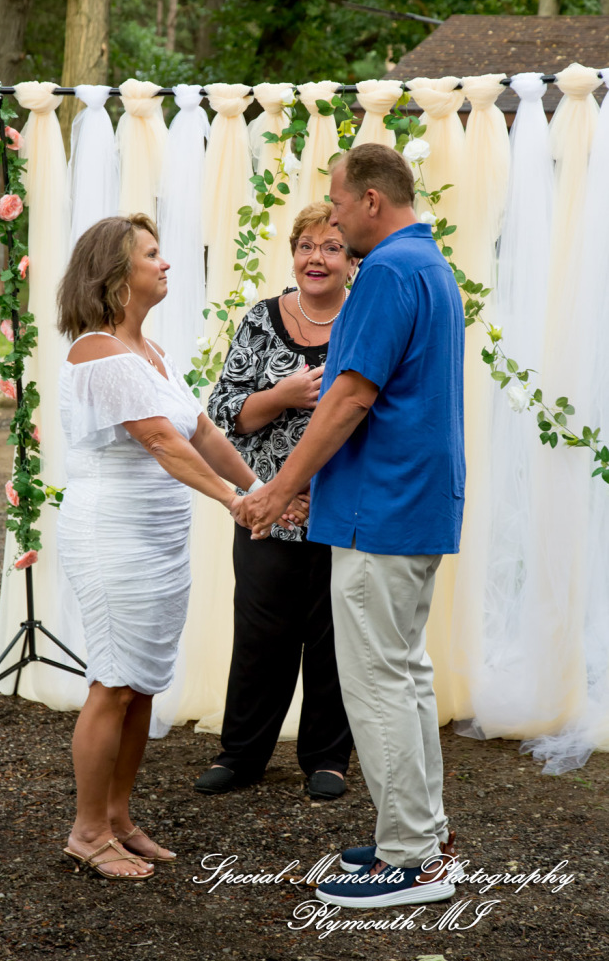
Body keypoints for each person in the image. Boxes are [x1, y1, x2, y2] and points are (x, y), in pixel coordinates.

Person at [240, 144, 466, 908]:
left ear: (371, 200)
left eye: (337, 206)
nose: (332, 222)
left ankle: (411, 859)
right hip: (414, 502)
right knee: (402, 676)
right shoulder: (429, 265)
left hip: (382, 506)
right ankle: (424, 834)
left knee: (375, 683)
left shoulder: (388, 272)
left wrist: (281, 487)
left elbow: (348, 396)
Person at [56, 213, 275, 881]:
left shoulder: (150, 351)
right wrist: (234, 503)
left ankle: (118, 818)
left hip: (158, 540)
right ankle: (87, 831)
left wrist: (261, 488)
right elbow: (159, 440)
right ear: (115, 272)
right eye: (152, 254)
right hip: (112, 536)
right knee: (113, 682)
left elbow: (201, 431)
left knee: (143, 684)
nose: (166, 263)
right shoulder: (97, 352)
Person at [194, 202, 355, 800]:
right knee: (261, 636)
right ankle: (241, 755)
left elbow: (375, 416)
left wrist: (313, 492)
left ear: (352, 260)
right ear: (292, 254)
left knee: (333, 638)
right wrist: (282, 395)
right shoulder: (262, 320)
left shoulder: (364, 320)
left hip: (340, 511)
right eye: (305, 245)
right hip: (266, 510)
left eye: (332, 247)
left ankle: (328, 758)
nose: (317, 258)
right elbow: (223, 414)